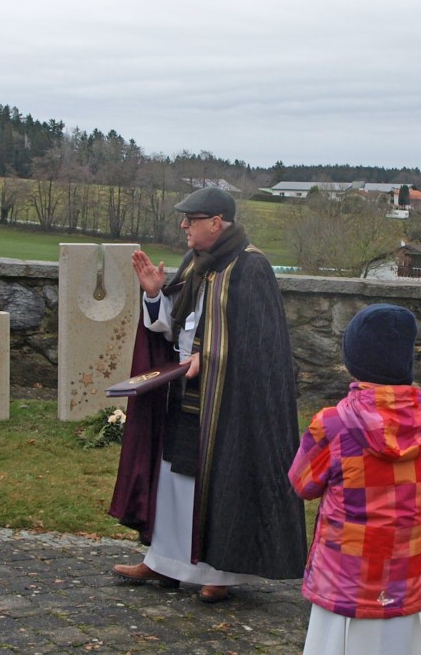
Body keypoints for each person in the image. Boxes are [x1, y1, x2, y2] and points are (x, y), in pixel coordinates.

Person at [108, 186, 307, 603]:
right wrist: (152, 294)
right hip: (186, 387)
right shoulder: (195, 262)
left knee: (221, 478)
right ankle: (164, 560)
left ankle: (222, 572)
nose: (183, 226)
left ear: (216, 223)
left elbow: (260, 346)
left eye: (191, 219)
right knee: (174, 472)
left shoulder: (252, 268)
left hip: (231, 400)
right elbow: (174, 325)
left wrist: (207, 358)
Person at [288, 303, 421, 655]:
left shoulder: (332, 424)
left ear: (354, 359)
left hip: (342, 586)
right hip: (403, 583)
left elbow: (301, 483)